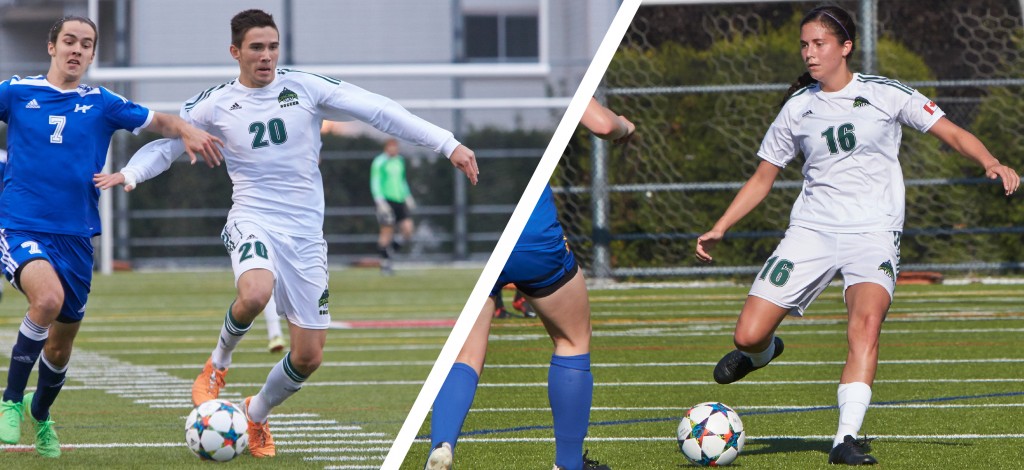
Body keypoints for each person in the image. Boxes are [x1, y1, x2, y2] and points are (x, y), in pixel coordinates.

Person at [94, 9, 478, 459]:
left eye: (272, 47)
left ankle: (255, 413)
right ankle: (218, 365)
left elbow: (379, 110)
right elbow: (170, 144)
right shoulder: (214, 103)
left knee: (309, 356)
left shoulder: (305, 88)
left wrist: (446, 143)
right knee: (256, 292)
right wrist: (131, 173)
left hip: (305, 237)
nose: (266, 56)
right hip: (251, 217)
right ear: (235, 52)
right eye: (256, 47)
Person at [693, 5, 1019, 466]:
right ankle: (763, 353)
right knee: (746, 335)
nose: (809, 53)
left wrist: (990, 161)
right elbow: (763, 177)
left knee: (865, 325)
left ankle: (844, 439)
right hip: (812, 232)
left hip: (874, 233)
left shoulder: (885, 94)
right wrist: (721, 226)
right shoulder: (798, 108)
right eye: (804, 45)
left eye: (819, 44)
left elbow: (950, 131)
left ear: (845, 47)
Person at [0, 15, 222, 458]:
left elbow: (157, 119)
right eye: (69, 41)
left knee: (61, 348)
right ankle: (8, 402)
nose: (77, 50)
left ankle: (39, 413)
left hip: (77, 236)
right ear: (52, 47)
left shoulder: (100, 101)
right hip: (20, 224)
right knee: (45, 300)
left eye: (86, 44)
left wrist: (186, 128)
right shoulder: (16, 92)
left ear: (92, 54)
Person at [425, 97, 633, 470]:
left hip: (477, 236)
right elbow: (603, 125)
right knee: (572, 340)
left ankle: (441, 445)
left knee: (465, 354)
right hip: (530, 233)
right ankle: (568, 464)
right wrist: (624, 126)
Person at [371, 138, 416, 275]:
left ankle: (390, 252)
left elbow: (401, 181)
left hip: (399, 200)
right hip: (386, 201)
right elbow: (375, 182)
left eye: (395, 147)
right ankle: (385, 265)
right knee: (386, 233)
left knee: (408, 229)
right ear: (386, 148)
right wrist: (380, 202)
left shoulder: (399, 161)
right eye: (391, 147)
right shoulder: (379, 162)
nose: (394, 150)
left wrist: (408, 196)